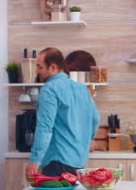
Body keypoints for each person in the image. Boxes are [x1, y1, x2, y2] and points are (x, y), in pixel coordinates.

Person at [25, 47, 100, 177]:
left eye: (40, 66)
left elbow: (45, 127)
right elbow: (95, 119)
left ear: (53, 67)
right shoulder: (82, 89)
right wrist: (91, 139)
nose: (37, 71)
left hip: (57, 161)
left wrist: (35, 159)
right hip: (79, 161)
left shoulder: (49, 90)